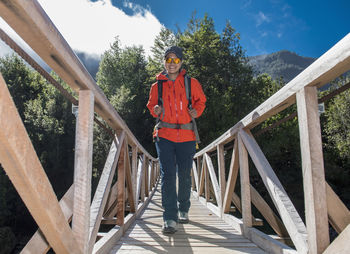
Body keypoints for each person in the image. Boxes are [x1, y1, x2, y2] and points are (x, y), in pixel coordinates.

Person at [147, 46, 206, 234]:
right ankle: (169, 217)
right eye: (168, 59)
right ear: (164, 61)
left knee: (185, 174)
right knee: (168, 175)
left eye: (175, 60)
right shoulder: (157, 86)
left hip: (187, 136)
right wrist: (154, 109)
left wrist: (197, 110)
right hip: (164, 134)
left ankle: (184, 208)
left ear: (181, 62)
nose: (171, 64)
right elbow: (151, 104)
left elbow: (201, 101)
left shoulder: (192, 83)